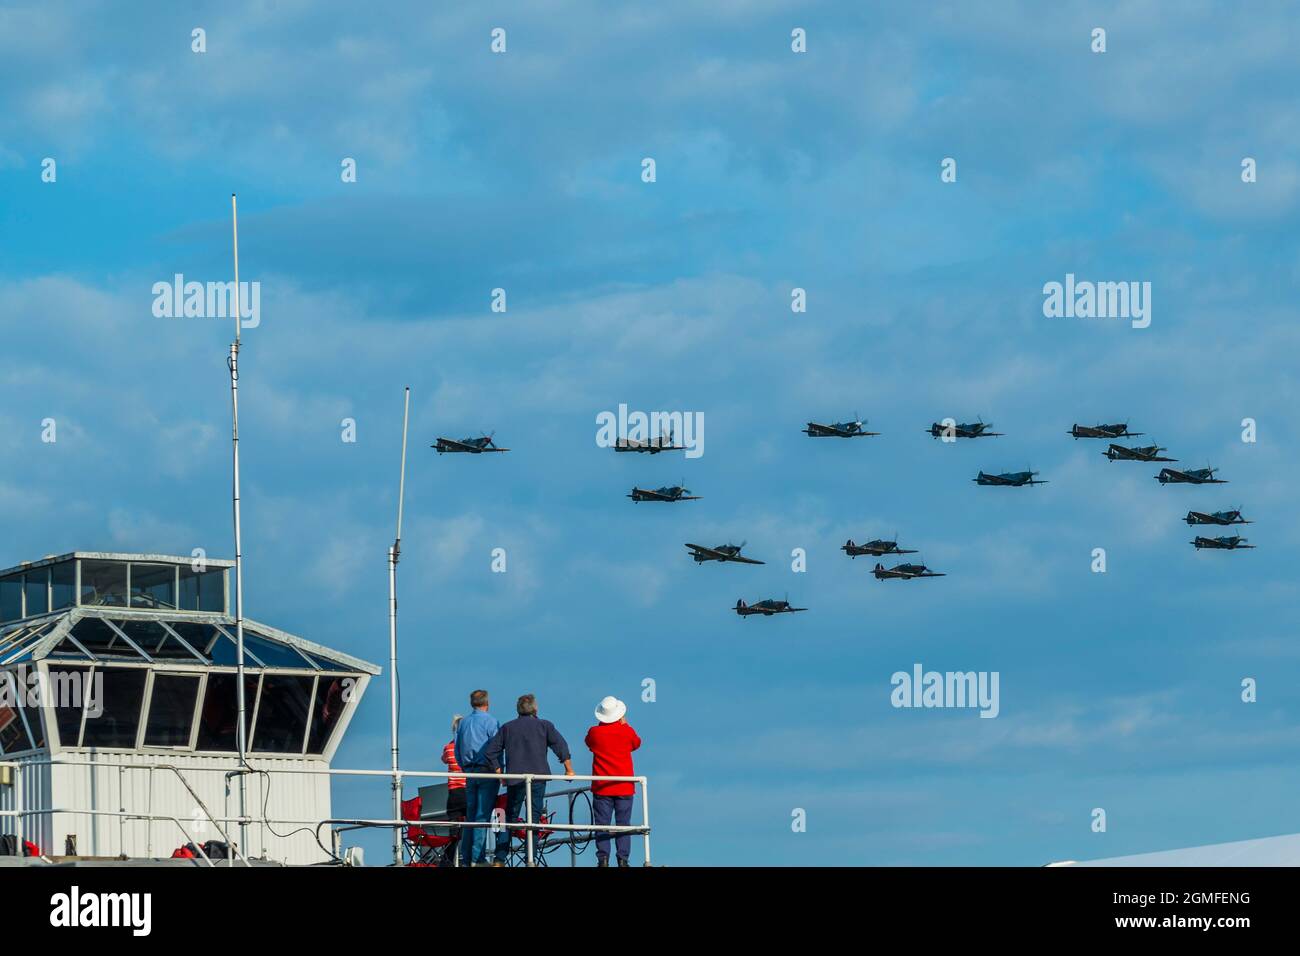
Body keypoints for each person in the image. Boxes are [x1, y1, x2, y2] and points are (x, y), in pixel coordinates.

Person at [482, 693, 574, 866]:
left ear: (518, 710)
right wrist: (568, 769)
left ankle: (499, 859)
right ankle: (530, 858)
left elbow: (490, 752)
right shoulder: (544, 726)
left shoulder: (508, 728)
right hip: (538, 778)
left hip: (515, 779)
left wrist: (499, 772)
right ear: (535, 708)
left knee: (510, 818)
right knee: (534, 818)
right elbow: (561, 746)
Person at [585, 696, 641, 867]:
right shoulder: (626, 731)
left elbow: (589, 744)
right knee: (623, 824)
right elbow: (636, 743)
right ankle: (622, 859)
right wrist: (625, 725)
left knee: (602, 824)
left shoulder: (594, 732)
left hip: (602, 786)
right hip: (624, 785)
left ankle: (603, 859)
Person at [454, 690, 500, 866]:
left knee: (471, 815)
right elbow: (495, 748)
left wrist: (464, 767)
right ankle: (477, 858)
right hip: (487, 771)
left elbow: (458, 749)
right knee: (482, 815)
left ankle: (466, 858)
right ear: (487, 703)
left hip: (469, 772)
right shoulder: (491, 721)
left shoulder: (463, 723)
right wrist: (499, 771)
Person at [442, 715, 466, 821]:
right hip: (468, 789)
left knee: (453, 820)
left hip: (454, 791)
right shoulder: (469, 748)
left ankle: (455, 835)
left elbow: (444, 759)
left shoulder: (448, 748)